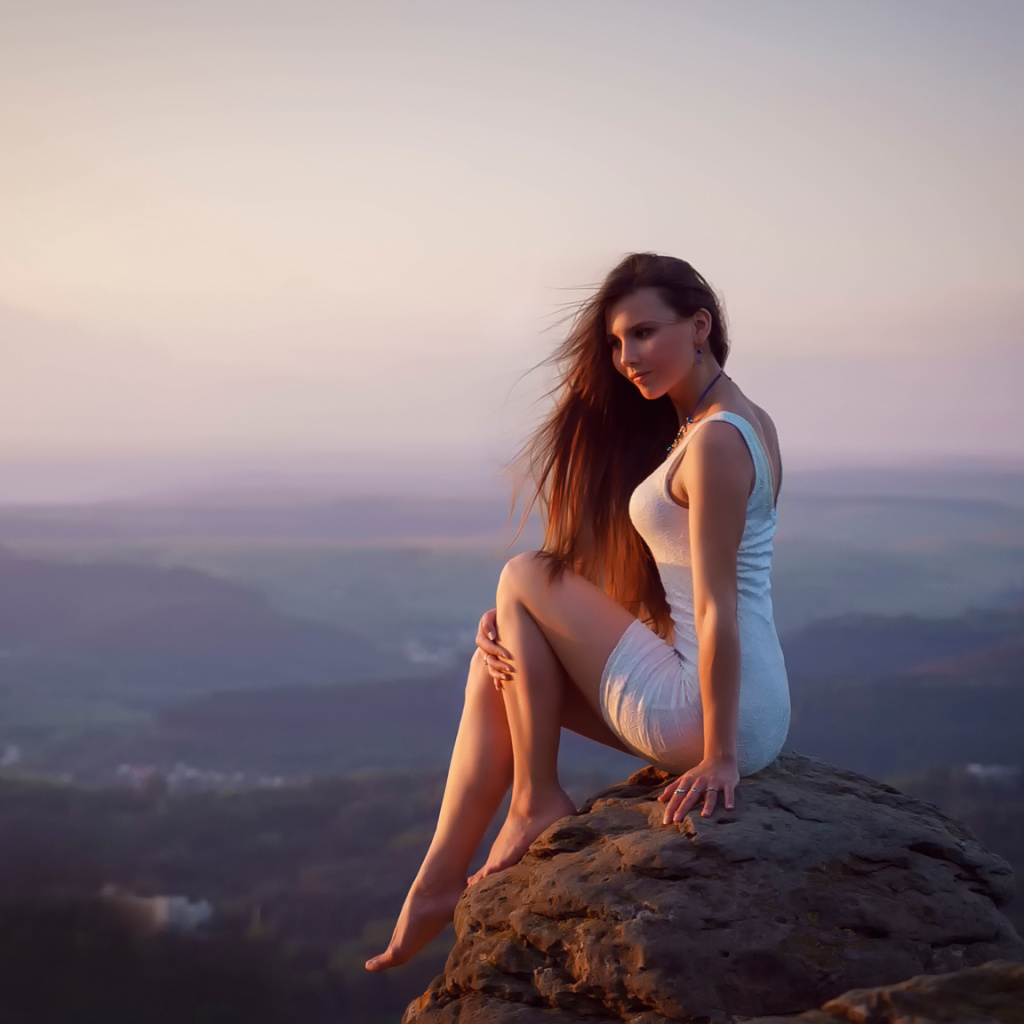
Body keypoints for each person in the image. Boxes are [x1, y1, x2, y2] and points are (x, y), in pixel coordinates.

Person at [365, 252, 790, 972]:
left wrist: (720, 758)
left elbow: (715, 607)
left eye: (644, 334)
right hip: (745, 703)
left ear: (700, 325)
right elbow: (678, 583)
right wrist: (521, 620)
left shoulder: (716, 439)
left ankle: (533, 802)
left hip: (714, 711)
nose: (628, 358)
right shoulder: (732, 422)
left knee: (522, 572)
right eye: (618, 343)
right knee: (497, 658)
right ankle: (438, 883)